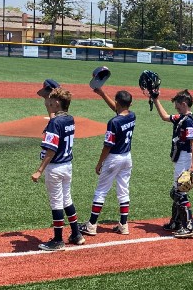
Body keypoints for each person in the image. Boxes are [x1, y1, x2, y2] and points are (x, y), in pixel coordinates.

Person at [31, 87, 84, 251]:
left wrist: (39, 170)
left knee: (56, 202)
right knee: (67, 199)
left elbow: (51, 149)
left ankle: (58, 240)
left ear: (58, 103)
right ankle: (76, 234)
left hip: (55, 167)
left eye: (52, 100)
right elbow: (55, 120)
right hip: (67, 165)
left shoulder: (55, 122)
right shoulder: (69, 118)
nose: (50, 102)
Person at [80, 87, 135, 236]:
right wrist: (102, 93)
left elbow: (107, 145)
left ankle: (91, 225)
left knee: (101, 191)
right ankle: (124, 225)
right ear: (130, 104)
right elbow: (118, 109)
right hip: (127, 158)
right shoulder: (132, 115)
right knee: (123, 190)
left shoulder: (113, 122)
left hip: (113, 159)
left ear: (117, 102)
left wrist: (99, 163)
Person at [154, 89, 193, 238]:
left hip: (186, 158)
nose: (175, 107)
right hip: (180, 157)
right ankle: (176, 222)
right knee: (176, 191)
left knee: (179, 192)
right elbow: (164, 116)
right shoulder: (180, 118)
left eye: (177, 104)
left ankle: (190, 226)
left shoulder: (189, 121)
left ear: (184, 104)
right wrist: (155, 99)